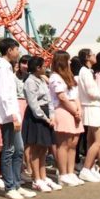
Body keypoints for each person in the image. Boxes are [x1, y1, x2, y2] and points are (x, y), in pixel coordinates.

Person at [0, 38, 34, 199]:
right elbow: (4, 94)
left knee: (18, 150)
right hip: (8, 116)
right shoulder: (2, 68)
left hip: (13, 114)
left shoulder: (6, 67)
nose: (18, 52)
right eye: (16, 49)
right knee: (9, 150)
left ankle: (16, 183)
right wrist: (13, 116)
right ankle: (10, 186)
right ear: (9, 50)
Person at [22, 56, 59, 192]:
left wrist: (52, 115)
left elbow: (49, 100)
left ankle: (43, 177)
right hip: (36, 117)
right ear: (38, 68)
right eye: (44, 66)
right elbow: (33, 104)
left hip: (46, 114)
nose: (46, 68)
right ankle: (36, 178)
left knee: (44, 148)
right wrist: (45, 118)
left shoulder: (42, 80)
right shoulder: (30, 82)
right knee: (36, 149)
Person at [48, 51, 84, 187]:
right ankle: (63, 174)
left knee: (73, 143)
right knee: (64, 144)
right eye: (67, 60)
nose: (70, 63)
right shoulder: (55, 77)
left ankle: (70, 172)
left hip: (74, 110)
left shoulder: (70, 77)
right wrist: (74, 111)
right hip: (63, 111)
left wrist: (78, 110)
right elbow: (62, 97)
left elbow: (76, 96)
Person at [76, 49, 100, 183]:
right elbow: (91, 92)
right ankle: (85, 169)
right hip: (92, 107)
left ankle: (90, 168)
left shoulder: (86, 72)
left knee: (91, 140)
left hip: (93, 106)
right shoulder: (85, 72)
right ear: (87, 57)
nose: (95, 56)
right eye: (93, 54)